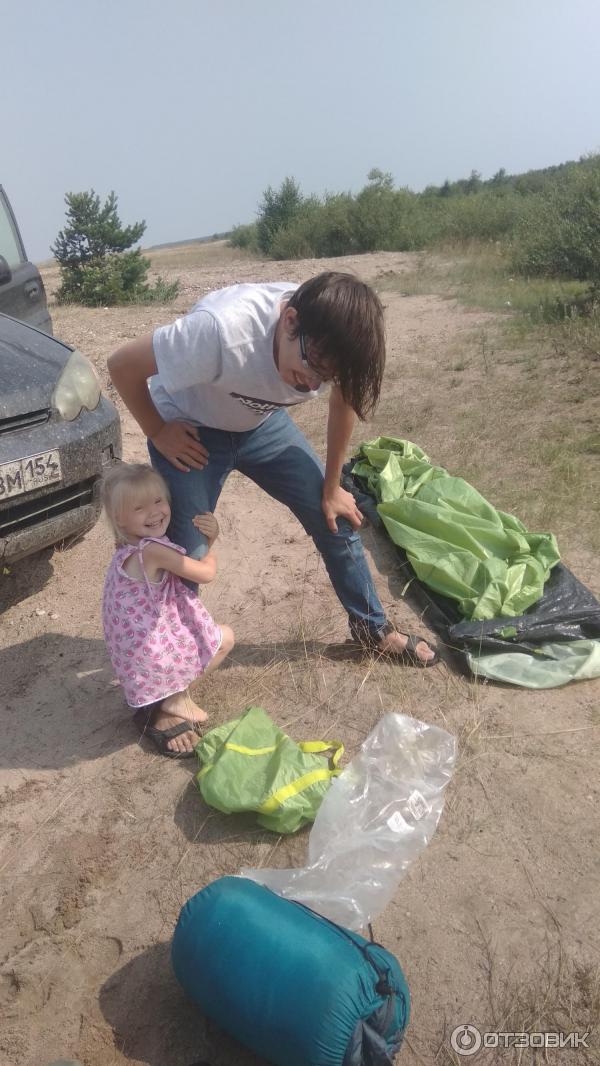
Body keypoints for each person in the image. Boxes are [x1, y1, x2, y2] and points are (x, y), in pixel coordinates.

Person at [108, 272, 437, 666]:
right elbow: (122, 364)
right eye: (310, 364)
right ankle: (162, 672)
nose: (311, 383)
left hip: (261, 425)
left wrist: (332, 487)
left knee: (334, 515)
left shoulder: (335, 339)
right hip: (190, 430)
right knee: (185, 553)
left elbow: (342, 405)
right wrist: (159, 432)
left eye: (325, 377)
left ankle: (373, 630)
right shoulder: (220, 331)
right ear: (290, 321)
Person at [101, 462, 235, 757]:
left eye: (159, 500)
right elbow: (205, 574)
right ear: (119, 519)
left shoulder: (126, 546)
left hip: (135, 649)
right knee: (225, 639)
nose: (154, 512)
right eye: (139, 508)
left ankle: (163, 699)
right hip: (150, 651)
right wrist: (210, 542)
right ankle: (172, 699)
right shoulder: (153, 550)